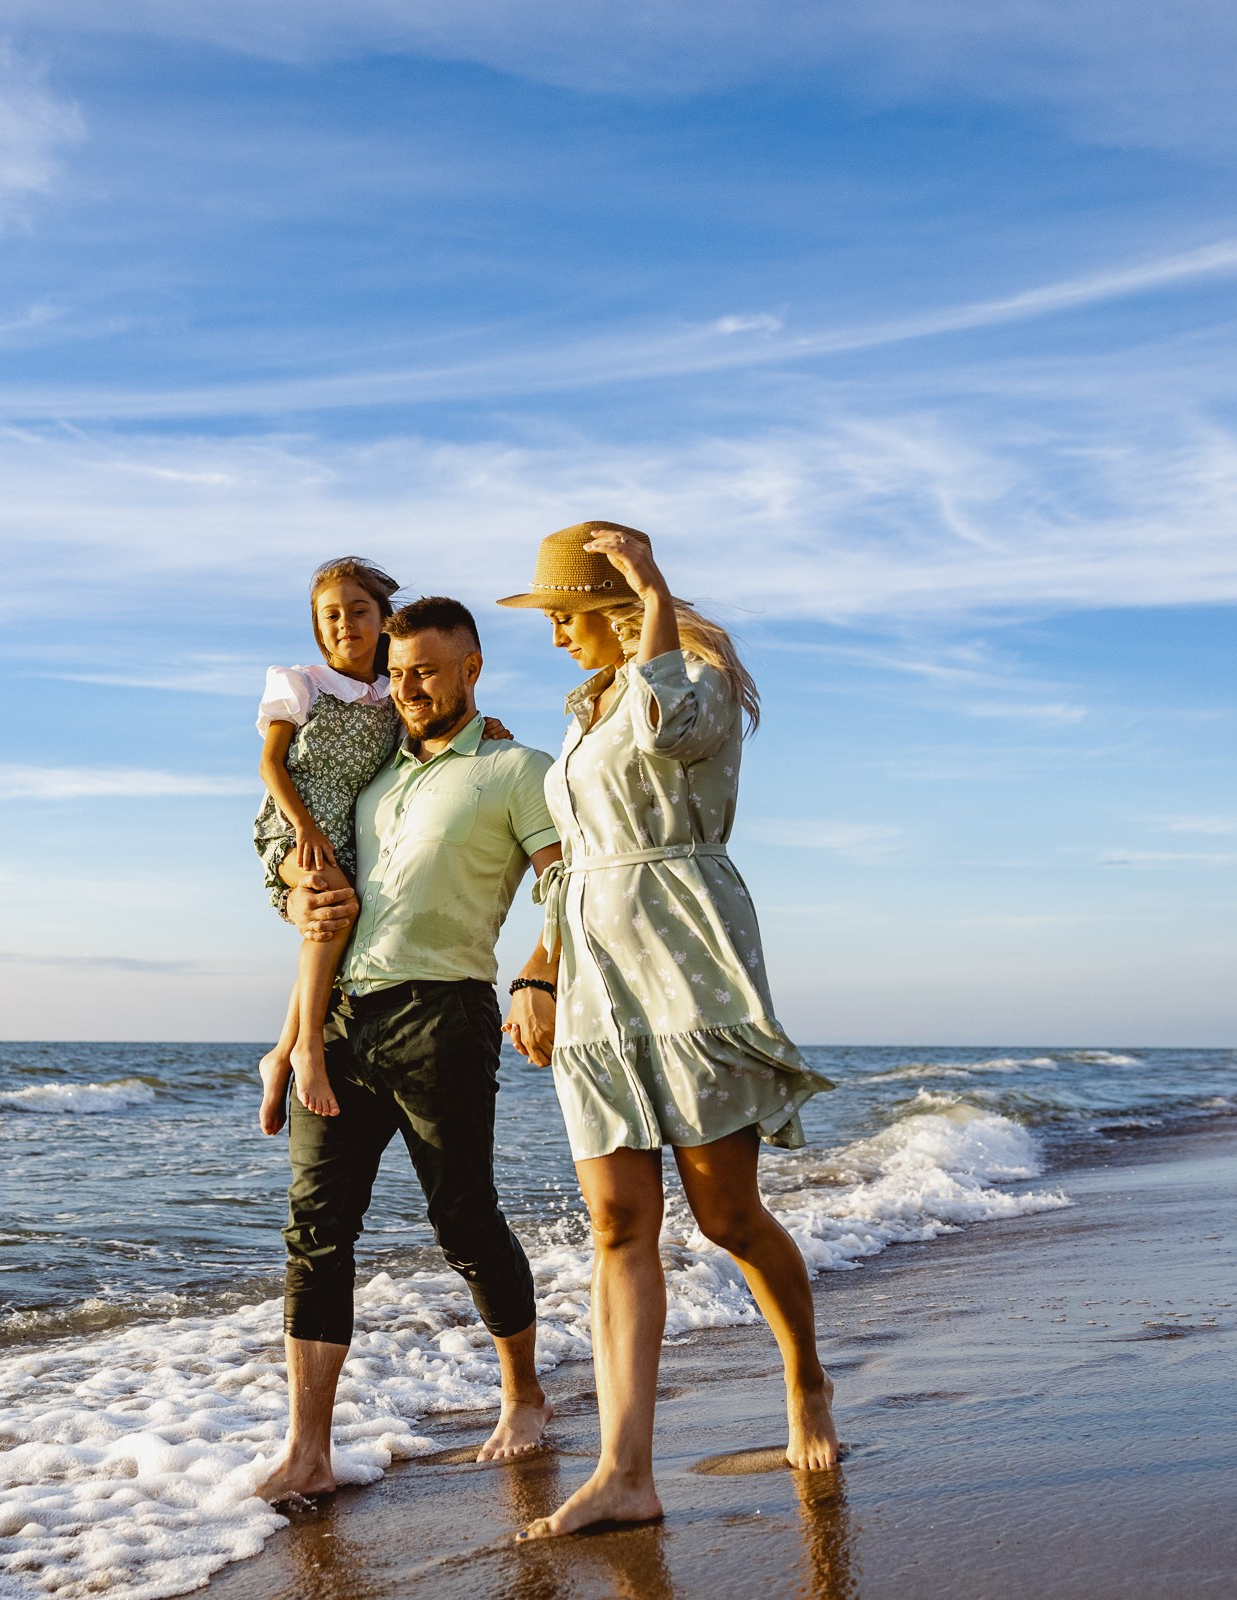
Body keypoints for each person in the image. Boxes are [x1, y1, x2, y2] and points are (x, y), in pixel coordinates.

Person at [497, 521, 840, 1541]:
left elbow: (673, 736)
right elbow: (570, 861)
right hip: (596, 976)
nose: (556, 634)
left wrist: (652, 594)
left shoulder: (688, 678)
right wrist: (541, 969)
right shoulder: (583, 707)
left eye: (565, 614)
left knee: (725, 1216)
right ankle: (624, 1469)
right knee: (616, 1225)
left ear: (614, 605)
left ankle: (807, 1377)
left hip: (686, 958)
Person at [255, 595, 566, 1503]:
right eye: (395, 675)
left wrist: (539, 976)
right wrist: (290, 1042)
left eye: (425, 671)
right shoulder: (371, 781)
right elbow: (321, 911)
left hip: (446, 1016)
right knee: (316, 1233)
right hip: (342, 1023)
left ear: (472, 666)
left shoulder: (517, 769)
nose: (408, 689)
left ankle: (526, 1399)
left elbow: (567, 887)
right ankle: (308, 1447)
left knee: (464, 1220)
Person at [252, 558, 404, 1135]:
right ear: (319, 626)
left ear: (383, 619)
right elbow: (269, 765)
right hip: (292, 825)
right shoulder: (303, 682)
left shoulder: (394, 692)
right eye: (331, 615)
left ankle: (279, 1051)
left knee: (329, 931)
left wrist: (487, 727)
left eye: (359, 610)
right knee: (333, 903)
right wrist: (305, 829)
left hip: (352, 836)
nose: (346, 624)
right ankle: (306, 1051)